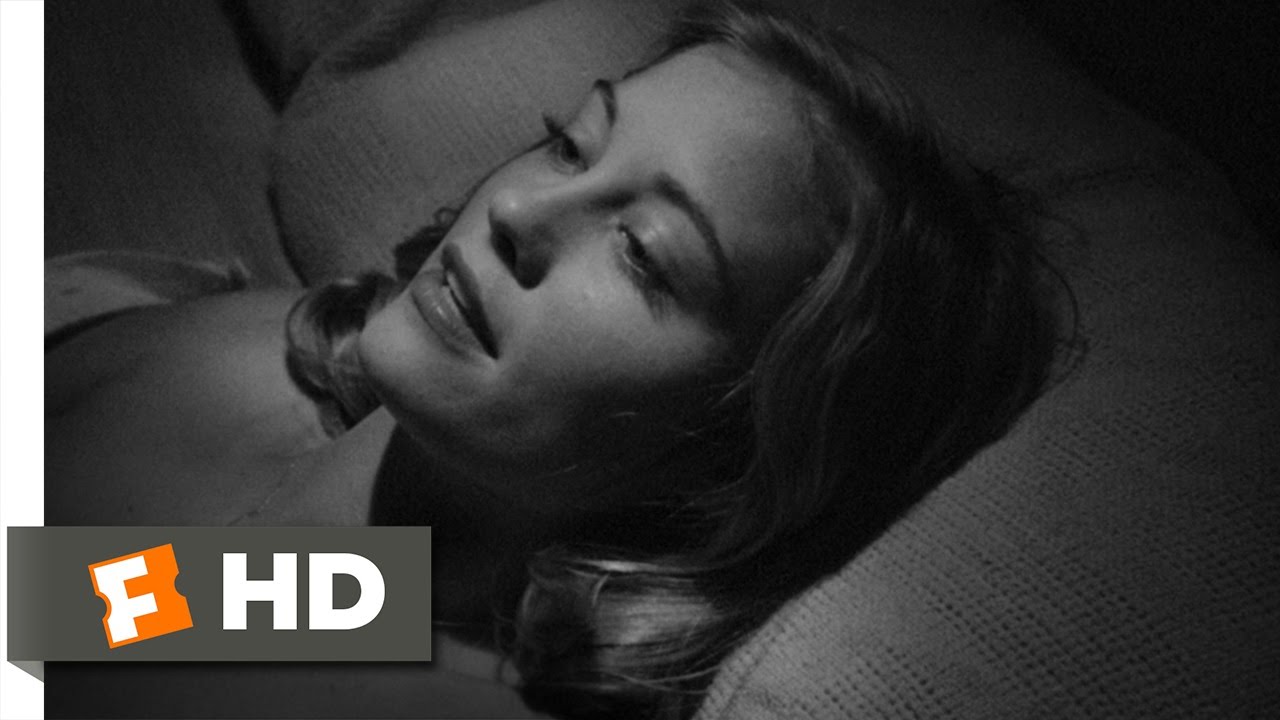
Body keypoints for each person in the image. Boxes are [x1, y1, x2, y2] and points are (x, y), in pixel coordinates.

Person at [45, 1, 1060, 717]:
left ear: (739, 452)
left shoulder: (368, 646)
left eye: (643, 254)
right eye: (570, 145)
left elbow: (87, 614)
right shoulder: (273, 351)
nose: (518, 209)